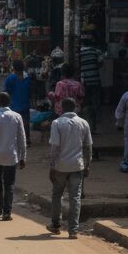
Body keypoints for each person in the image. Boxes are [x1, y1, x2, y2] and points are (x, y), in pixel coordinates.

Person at [46, 97, 92, 238]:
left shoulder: (57, 123)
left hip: (60, 166)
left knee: (57, 195)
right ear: (75, 107)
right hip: (77, 165)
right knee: (75, 198)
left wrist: (52, 166)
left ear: (61, 107)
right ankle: (73, 230)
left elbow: (55, 147)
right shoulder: (83, 123)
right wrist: (87, 165)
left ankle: (55, 224)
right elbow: (88, 147)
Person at [0, 92, 27, 220]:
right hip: (11, 156)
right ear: (9, 102)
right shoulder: (16, 116)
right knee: (9, 184)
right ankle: (7, 211)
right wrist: (23, 157)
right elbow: (22, 138)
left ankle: (1, 206)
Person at [3, 60, 34, 142]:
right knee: (25, 123)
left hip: (13, 106)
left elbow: (5, 92)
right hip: (25, 104)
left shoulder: (10, 78)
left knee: (14, 124)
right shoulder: (27, 78)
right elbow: (31, 91)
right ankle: (26, 140)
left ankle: (17, 140)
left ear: (14, 68)